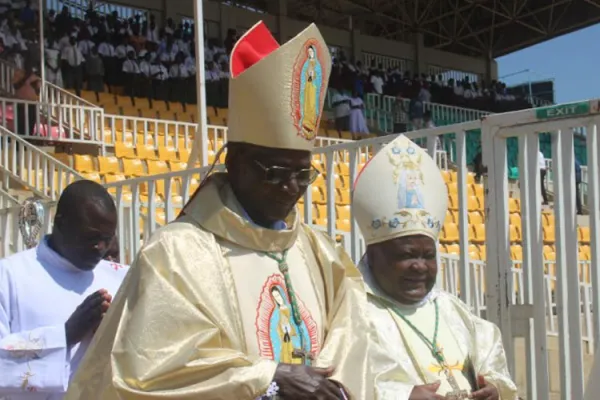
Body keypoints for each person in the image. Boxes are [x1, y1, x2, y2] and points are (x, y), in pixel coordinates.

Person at [66, 21, 395, 400]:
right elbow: (148, 371)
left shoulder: (323, 255)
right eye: (274, 172)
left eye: (303, 175)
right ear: (235, 161)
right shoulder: (175, 253)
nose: (291, 188)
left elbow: (353, 339)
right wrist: (267, 379)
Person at [352, 135, 519, 399]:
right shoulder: (353, 315)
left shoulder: (450, 309)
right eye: (406, 255)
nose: (420, 267)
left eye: (428, 255)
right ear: (372, 255)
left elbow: (492, 360)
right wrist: (402, 396)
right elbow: (342, 381)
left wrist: (495, 388)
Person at [0, 180, 128, 398]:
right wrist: (66, 334)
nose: (100, 248)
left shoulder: (122, 277)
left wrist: (114, 335)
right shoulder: (9, 275)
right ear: (61, 222)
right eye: (91, 237)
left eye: (107, 239)